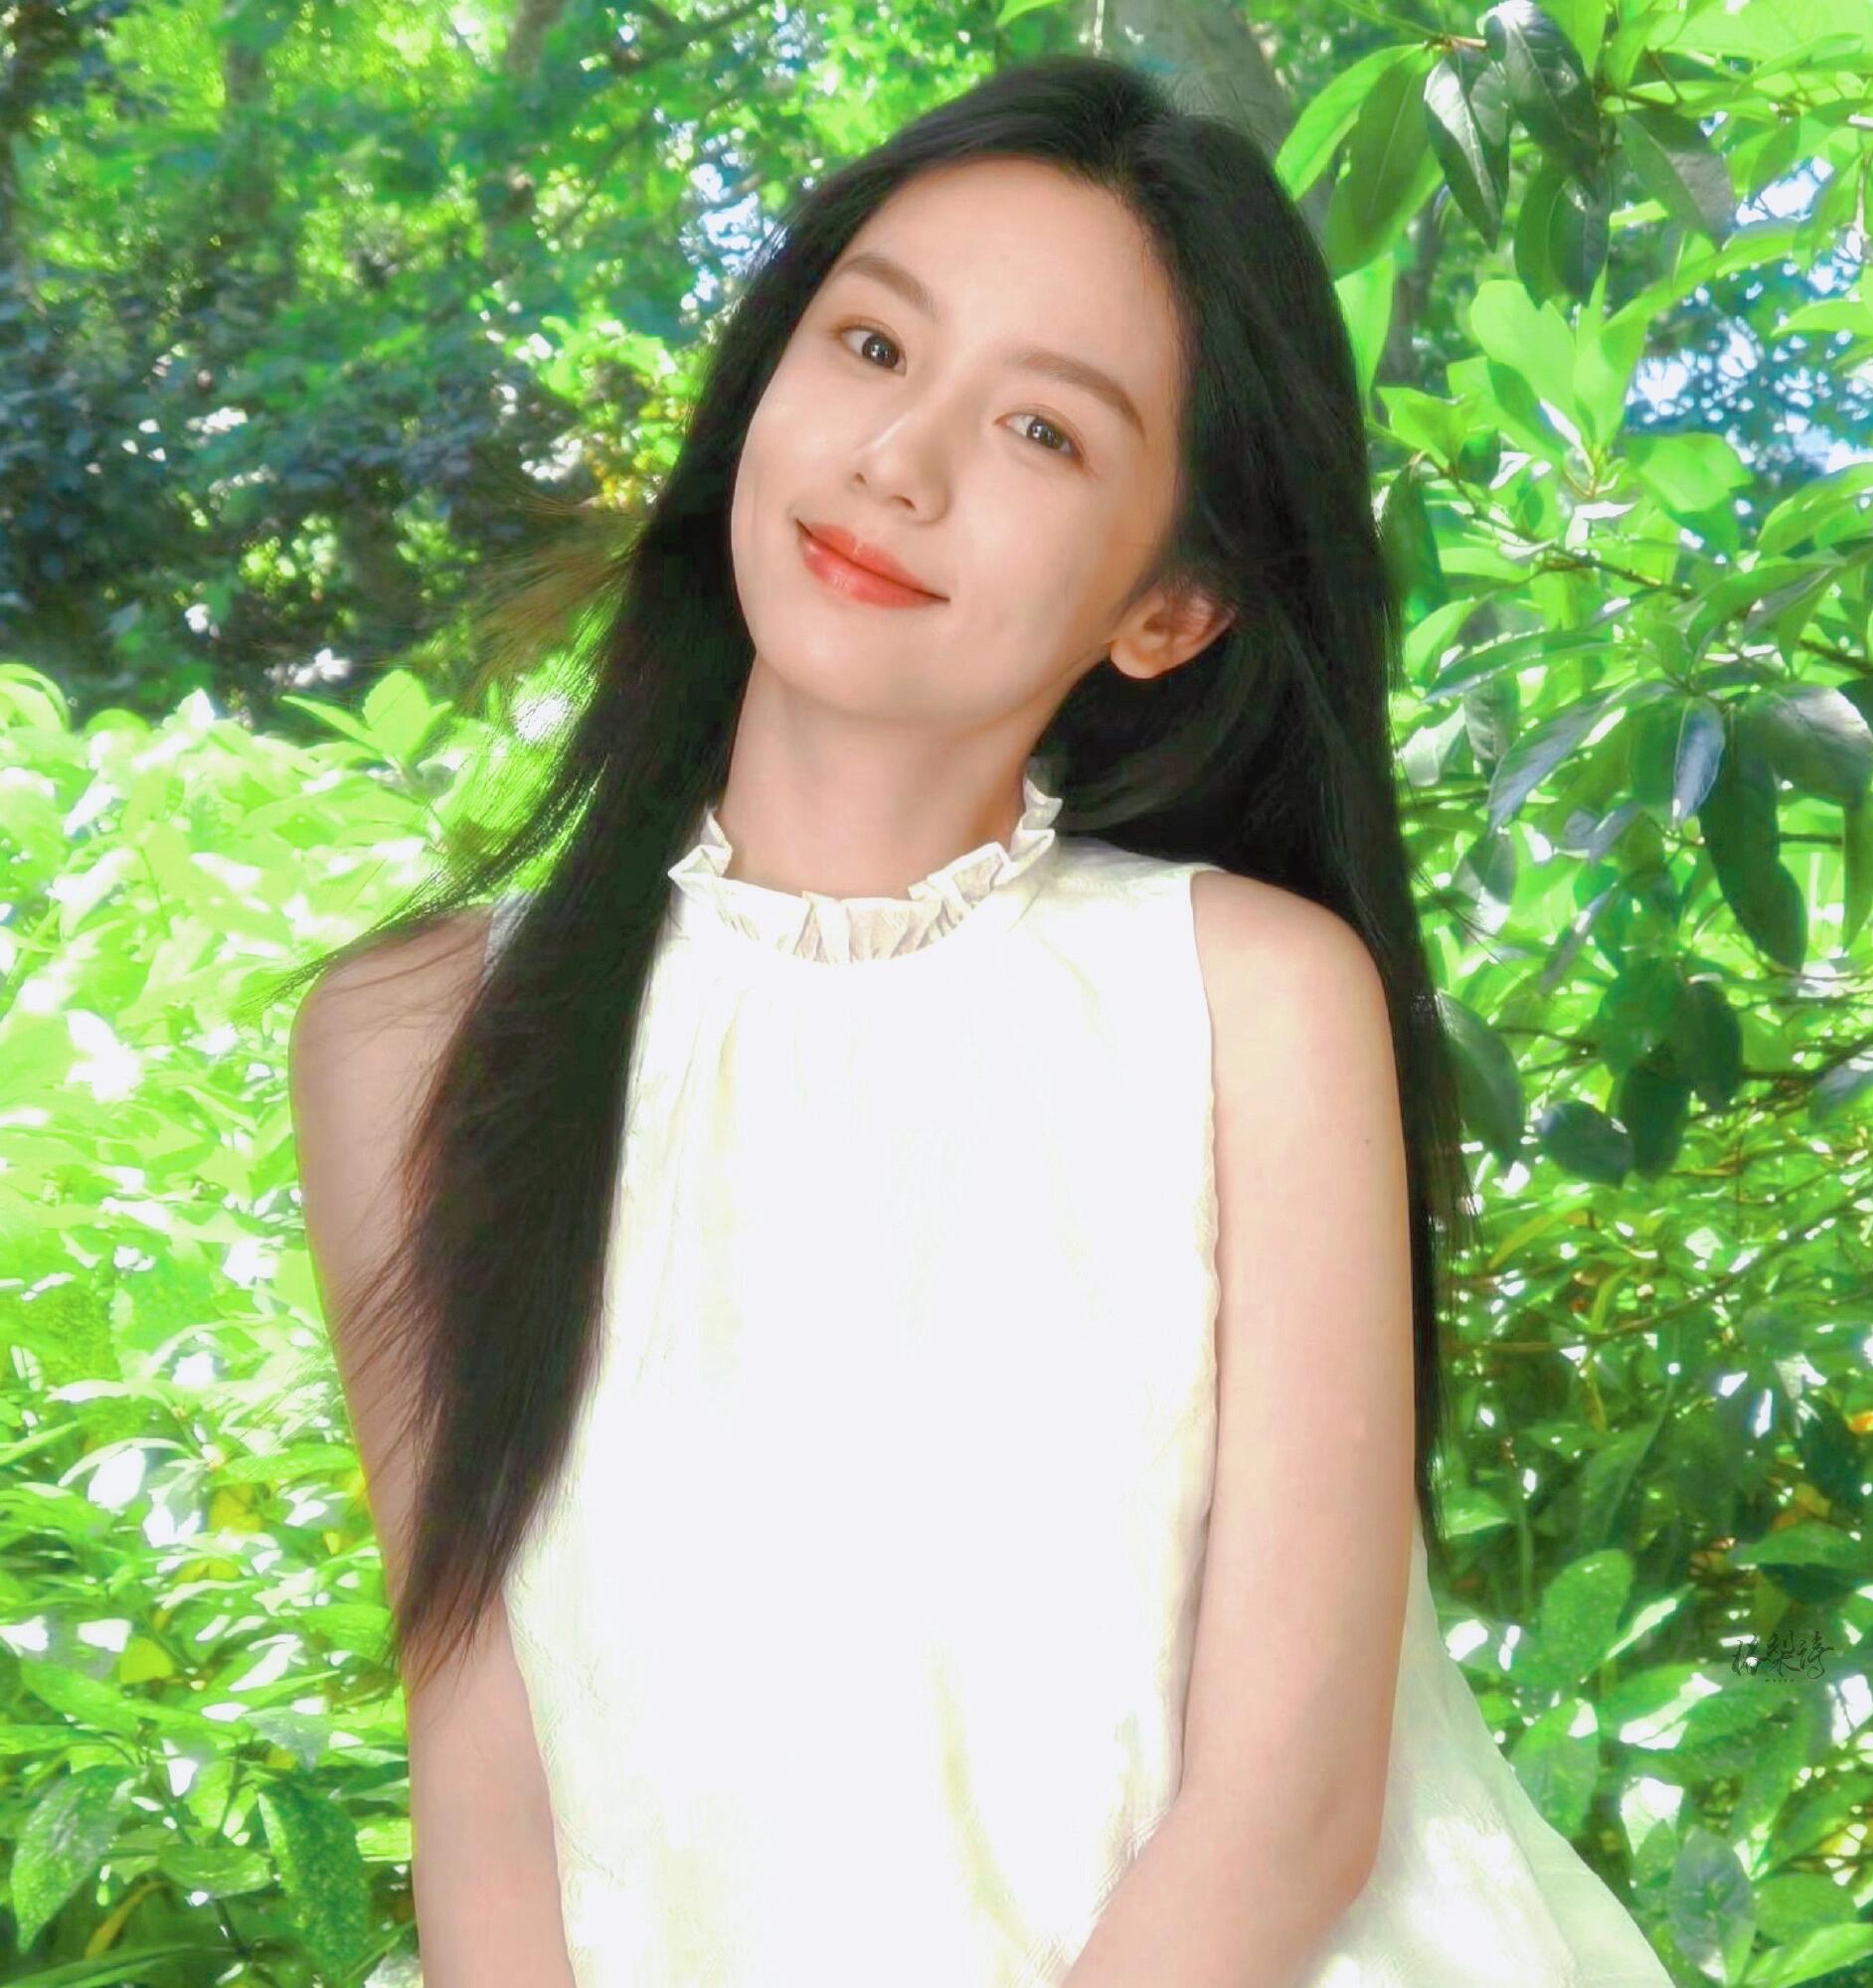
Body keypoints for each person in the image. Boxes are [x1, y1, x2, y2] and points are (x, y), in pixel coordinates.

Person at [287, 53, 1674, 1988]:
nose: (899, 462)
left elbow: (1287, 1809)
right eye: (871, 347)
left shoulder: (1251, 1001)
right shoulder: (414, 1038)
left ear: (1171, 607)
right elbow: (486, 1767)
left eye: (1040, 429)